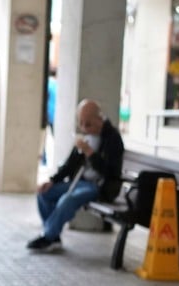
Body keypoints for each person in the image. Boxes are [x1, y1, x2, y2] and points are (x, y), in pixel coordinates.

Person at [27, 99, 124, 253]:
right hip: (80, 182)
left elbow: (110, 172)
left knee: (68, 199)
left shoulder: (113, 138)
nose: (84, 128)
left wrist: (90, 153)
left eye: (88, 124)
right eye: (81, 123)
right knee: (44, 193)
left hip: (100, 186)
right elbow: (69, 165)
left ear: (99, 120)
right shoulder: (85, 137)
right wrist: (52, 181)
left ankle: (48, 236)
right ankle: (53, 237)